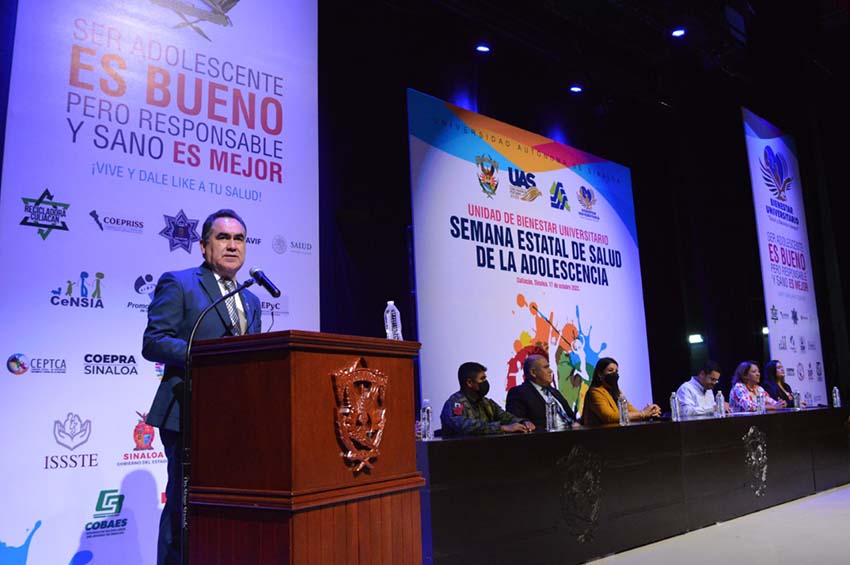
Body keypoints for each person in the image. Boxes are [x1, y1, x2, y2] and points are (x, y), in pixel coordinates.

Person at [142, 209, 262, 565]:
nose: (232, 245)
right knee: (184, 508)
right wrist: (206, 355)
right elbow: (154, 341)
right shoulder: (180, 283)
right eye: (223, 238)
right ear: (204, 246)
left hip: (234, 419)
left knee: (226, 507)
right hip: (187, 413)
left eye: (239, 239)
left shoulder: (251, 299)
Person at [440, 362, 535, 436]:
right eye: (482, 379)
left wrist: (522, 422)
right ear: (469, 383)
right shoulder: (455, 403)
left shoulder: (486, 402)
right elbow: (466, 426)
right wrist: (501, 428)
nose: (485, 382)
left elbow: (505, 417)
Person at [582, 357, 661, 426]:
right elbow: (609, 417)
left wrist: (650, 411)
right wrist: (643, 413)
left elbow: (631, 410)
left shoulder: (617, 392)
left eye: (616, 371)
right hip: (599, 435)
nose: (614, 374)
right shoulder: (595, 392)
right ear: (600, 374)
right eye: (610, 370)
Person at [506, 354, 576, 431]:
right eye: (546, 367)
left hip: (573, 431)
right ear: (533, 372)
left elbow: (571, 416)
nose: (550, 371)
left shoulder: (554, 391)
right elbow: (516, 421)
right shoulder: (519, 393)